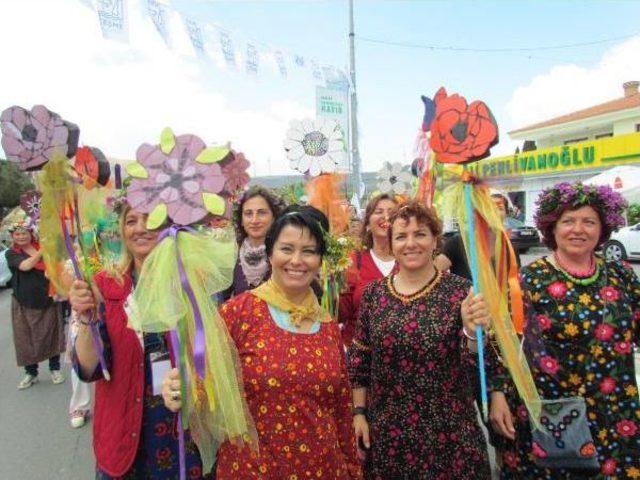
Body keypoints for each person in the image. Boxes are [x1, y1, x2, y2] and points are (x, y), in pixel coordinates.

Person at [163, 206, 362, 479]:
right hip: (253, 470)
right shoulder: (238, 313)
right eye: (287, 248)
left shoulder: (327, 324)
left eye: (309, 251)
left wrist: (352, 469)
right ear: (270, 253)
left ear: (320, 259)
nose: (297, 260)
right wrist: (181, 386)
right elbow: (206, 382)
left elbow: (340, 408)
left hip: (324, 469)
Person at [347, 200, 503, 479]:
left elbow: (479, 362)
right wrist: (359, 412)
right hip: (389, 434)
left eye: (420, 234)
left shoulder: (461, 292)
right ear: (392, 244)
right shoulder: (374, 295)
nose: (411, 243)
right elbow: (361, 359)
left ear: (435, 241)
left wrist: (470, 332)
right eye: (401, 236)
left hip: (450, 434)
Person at [495, 182, 640, 479]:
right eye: (568, 221)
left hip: (614, 409)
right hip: (554, 415)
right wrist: (498, 394)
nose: (578, 230)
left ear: (603, 228)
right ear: (552, 228)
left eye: (589, 221)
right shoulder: (529, 280)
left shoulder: (621, 274)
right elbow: (505, 344)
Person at [68, 205, 212, 479]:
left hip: (180, 434)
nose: (140, 228)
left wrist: (191, 380)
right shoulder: (104, 286)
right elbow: (88, 369)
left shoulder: (190, 284)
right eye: (131, 221)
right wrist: (86, 318)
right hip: (122, 435)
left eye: (150, 219)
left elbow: (212, 360)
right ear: (122, 230)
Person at [6, 222, 65, 390]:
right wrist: (42, 251)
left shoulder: (44, 249)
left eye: (24, 233)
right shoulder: (12, 253)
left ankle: (55, 369)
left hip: (47, 299)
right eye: (17, 234)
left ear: (31, 234)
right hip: (24, 302)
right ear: (13, 237)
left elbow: (55, 268)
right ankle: (31, 373)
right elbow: (25, 266)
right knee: (26, 339)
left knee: (52, 335)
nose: (21, 236)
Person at [339, 193, 398, 346]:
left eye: (392, 213)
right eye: (379, 212)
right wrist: (330, 285)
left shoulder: (409, 260)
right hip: (357, 354)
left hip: (400, 357)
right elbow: (340, 314)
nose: (386, 216)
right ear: (367, 224)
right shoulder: (353, 260)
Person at [222, 186, 284, 300]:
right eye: (248, 213)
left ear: (274, 217)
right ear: (241, 220)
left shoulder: (286, 255)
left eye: (262, 213)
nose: (254, 220)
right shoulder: (231, 258)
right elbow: (221, 303)